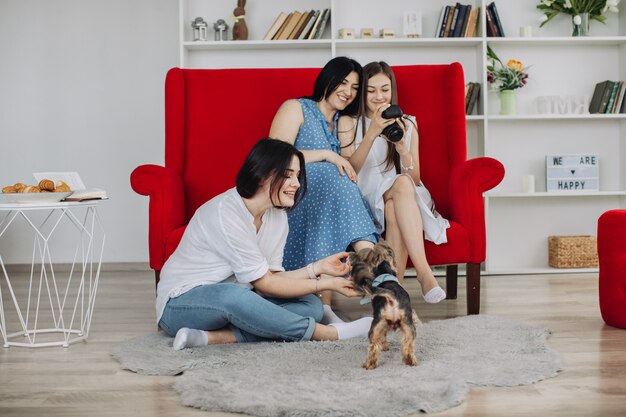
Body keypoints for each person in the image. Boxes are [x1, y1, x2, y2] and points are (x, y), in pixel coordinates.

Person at [156, 138, 373, 350]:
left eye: (297, 175)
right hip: (180, 304)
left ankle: (215, 337)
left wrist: (319, 268)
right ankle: (327, 333)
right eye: (288, 175)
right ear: (262, 175)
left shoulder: (277, 216)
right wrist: (326, 284)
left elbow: (273, 278)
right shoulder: (226, 213)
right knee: (233, 296)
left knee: (311, 305)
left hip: (240, 299)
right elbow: (265, 284)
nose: (296, 184)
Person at [269, 57, 378, 324]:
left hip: (330, 200)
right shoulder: (297, 108)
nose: (348, 92)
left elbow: (350, 169)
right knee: (332, 181)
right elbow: (274, 155)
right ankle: (374, 263)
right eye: (342, 83)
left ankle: (326, 306)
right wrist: (328, 156)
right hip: (294, 193)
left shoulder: (343, 122)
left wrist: (369, 135)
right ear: (327, 79)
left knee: (339, 184)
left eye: (354, 87)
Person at [337, 61, 449, 304]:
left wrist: (402, 150)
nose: (379, 96)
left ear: (393, 90)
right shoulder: (347, 122)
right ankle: (421, 274)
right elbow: (349, 171)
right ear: (362, 91)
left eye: (385, 89)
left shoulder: (407, 123)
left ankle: (397, 288)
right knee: (394, 199)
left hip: (403, 195)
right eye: (371, 90)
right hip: (365, 202)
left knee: (399, 189)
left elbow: (415, 178)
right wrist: (372, 132)